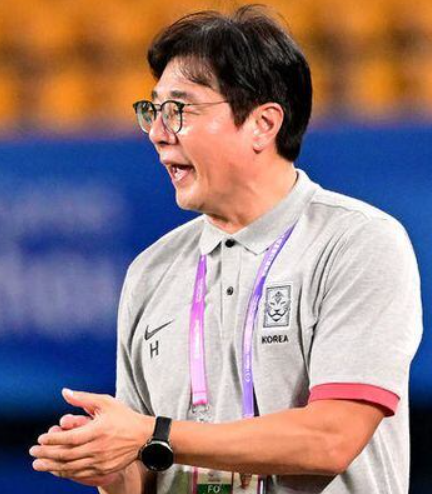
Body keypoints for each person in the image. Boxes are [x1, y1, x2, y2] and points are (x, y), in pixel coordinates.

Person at [29, 6, 422, 494]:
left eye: (180, 110)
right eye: (153, 111)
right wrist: (111, 468)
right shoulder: (151, 272)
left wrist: (153, 434)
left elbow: (332, 438)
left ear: (263, 124)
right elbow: (148, 467)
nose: (157, 133)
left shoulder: (357, 242)